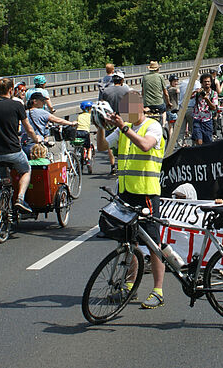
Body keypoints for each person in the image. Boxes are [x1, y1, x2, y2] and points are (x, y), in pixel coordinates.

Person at [96, 90, 167, 309]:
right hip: (126, 194)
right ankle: (130, 285)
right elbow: (102, 147)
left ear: (142, 107)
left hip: (146, 193)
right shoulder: (123, 129)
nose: (128, 112)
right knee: (128, 242)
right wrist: (99, 125)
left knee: (153, 244)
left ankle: (158, 290)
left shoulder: (152, 126)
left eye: (132, 108)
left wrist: (124, 128)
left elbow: (145, 145)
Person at [0, 78, 41, 214]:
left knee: (4, 178)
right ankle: (20, 199)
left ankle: (3, 206)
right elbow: (28, 128)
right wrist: (36, 140)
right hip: (12, 150)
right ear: (11, 90)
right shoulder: (17, 105)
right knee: (26, 170)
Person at [21, 93, 77, 157]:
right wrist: (71, 123)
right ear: (35, 101)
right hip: (37, 144)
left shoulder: (25, 112)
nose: (44, 103)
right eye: (42, 101)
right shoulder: (41, 112)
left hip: (25, 143)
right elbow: (57, 120)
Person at [99, 71, 130, 175]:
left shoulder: (106, 91)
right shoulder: (126, 90)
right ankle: (124, 164)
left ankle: (113, 166)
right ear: (122, 80)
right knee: (124, 142)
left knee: (109, 144)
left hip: (110, 120)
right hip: (123, 119)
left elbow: (101, 105)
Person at [192, 73, 218, 145]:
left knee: (208, 142)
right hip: (197, 119)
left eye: (208, 81)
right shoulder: (198, 92)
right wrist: (195, 92)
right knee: (198, 141)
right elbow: (188, 98)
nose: (207, 83)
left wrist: (207, 99)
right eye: (205, 82)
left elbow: (213, 107)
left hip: (207, 120)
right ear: (201, 83)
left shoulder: (213, 94)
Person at [75, 101, 94, 173]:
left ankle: (76, 156)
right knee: (88, 148)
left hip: (77, 132)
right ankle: (88, 161)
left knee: (78, 144)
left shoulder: (80, 116)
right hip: (85, 133)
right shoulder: (90, 116)